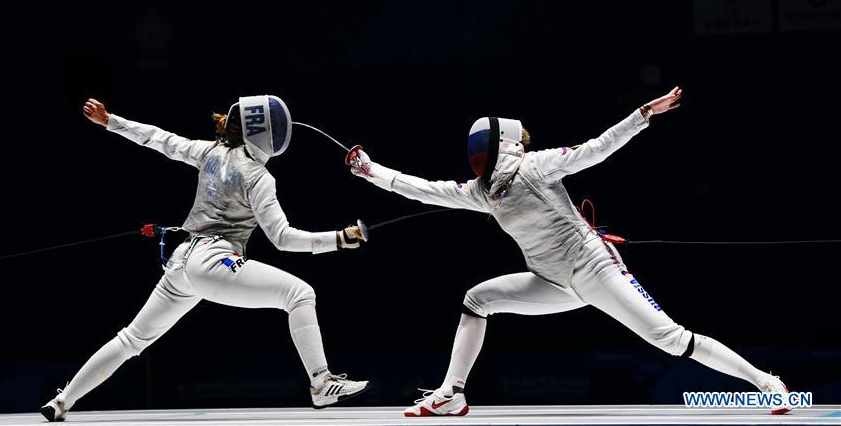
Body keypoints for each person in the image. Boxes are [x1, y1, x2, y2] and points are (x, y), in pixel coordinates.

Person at [347, 86, 791, 416]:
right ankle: (453, 393)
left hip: (593, 267)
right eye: (517, 139)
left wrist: (641, 116)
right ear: (505, 142)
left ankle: (766, 382)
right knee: (477, 299)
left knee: (670, 339)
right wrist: (371, 173)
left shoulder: (535, 167)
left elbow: (597, 149)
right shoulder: (483, 191)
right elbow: (422, 189)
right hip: (551, 281)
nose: (522, 143)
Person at [41, 96, 369, 422]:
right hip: (213, 261)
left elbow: (159, 139)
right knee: (299, 294)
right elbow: (282, 239)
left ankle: (62, 401)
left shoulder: (209, 151)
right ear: (268, 135)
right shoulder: (259, 178)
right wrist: (339, 239)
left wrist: (110, 120)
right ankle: (320, 382)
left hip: (181, 262)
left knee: (131, 339)